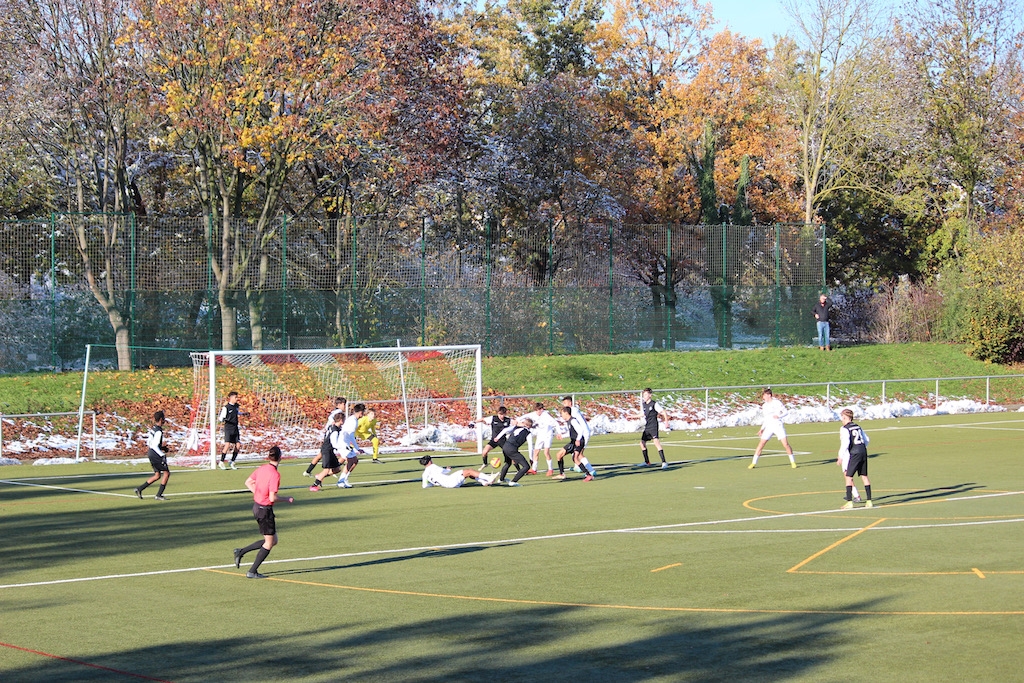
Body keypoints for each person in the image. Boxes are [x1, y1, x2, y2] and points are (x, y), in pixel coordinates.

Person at [233, 446, 294, 579]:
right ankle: (252, 571)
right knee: (269, 542)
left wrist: (259, 494)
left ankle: (241, 551)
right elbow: (272, 498)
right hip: (264, 511)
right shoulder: (275, 474)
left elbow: (248, 482)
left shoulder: (262, 468)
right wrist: (287, 499)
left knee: (273, 540)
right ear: (280, 457)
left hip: (257, 507)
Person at [748, 388, 797, 469]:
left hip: (778, 425)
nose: (763, 397)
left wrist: (779, 416)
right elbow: (766, 419)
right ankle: (753, 463)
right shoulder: (764, 406)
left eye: (764, 395)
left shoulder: (777, 403)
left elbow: (785, 412)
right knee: (761, 444)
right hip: (769, 427)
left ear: (769, 395)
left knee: (785, 444)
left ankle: (793, 462)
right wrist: (762, 429)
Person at [838, 409, 873, 509]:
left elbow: (845, 443)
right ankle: (869, 501)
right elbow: (867, 439)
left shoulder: (845, 428)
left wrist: (840, 456)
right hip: (863, 451)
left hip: (854, 453)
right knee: (864, 476)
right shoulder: (857, 426)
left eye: (842, 417)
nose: (842, 420)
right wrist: (862, 447)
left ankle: (849, 502)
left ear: (845, 417)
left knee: (848, 476)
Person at [304, 397, 347, 477]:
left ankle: (308, 471)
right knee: (329, 451)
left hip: (328, 433)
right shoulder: (338, 411)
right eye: (344, 404)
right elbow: (330, 418)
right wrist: (333, 423)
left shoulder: (335, 410)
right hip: (331, 434)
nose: (345, 406)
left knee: (322, 454)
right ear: (339, 404)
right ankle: (329, 470)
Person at [134, 410, 170, 500]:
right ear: (161, 419)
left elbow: (150, 443)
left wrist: (162, 448)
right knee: (166, 473)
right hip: (155, 454)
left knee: (157, 475)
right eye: (164, 418)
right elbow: (154, 445)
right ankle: (159, 495)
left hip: (151, 452)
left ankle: (139, 489)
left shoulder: (153, 429)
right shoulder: (159, 431)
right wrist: (161, 454)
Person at [555, 404, 597, 481]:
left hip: (579, 441)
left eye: (562, 413)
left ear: (566, 413)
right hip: (573, 442)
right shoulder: (569, 421)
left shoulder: (573, 420)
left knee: (575, 458)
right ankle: (562, 474)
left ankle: (589, 475)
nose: (561, 415)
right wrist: (562, 436)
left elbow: (580, 430)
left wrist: (578, 439)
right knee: (559, 455)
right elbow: (571, 433)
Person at [309, 411, 345, 491]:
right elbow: (334, 443)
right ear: (341, 420)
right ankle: (314, 486)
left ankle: (320, 476)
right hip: (327, 450)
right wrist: (342, 447)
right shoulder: (335, 431)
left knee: (337, 469)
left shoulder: (333, 427)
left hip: (330, 450)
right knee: (326, 470)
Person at [494, 417, 535, 487]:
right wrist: (531, 458)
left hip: (505, 446)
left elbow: (505, 430)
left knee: (508, 463)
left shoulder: (516, 427)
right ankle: (513, 482)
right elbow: (530, 446)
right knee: (526, 466)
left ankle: (501, 479)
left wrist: (497, 437)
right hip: (512, 448)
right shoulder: (528, 433)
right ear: (529, 426)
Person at [334, 403, 366, 488]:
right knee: (351, 461)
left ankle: (344, 479)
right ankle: (341, 481)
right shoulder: (353, 421)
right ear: (360, 412)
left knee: (354, 461)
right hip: (343, 443)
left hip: (345, 443)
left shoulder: (353, 419)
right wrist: (357, 448)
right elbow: (351, 435)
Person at [637, 388, 669, 469]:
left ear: (650, 395)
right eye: (643, 395)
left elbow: (663, 412)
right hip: (647, 426)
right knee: (642, 443)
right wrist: (631, 416)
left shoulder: (654, 404)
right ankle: (647, 462)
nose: (644, 396)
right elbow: (642, 414)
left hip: (654, 426)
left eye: (646, 395)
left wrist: (666, 422)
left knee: (656, 443)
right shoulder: (644, 404)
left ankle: (664, 462)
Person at [420, 455, 496, 488]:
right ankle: (489, 478)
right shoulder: (433, 466)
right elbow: (445, 471)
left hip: (446, 485)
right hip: (450, 480)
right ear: (429, 462)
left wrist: (433, 484)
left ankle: (483, 482)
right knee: (469, 471)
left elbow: (424, 486)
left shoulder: (424, 474)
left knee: (467, 474)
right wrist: (448, 469)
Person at [526, 403, 560, 476]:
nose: (537, 412)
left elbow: (556, 423)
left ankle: (550, 469)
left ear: (541, 409)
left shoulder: (546, 415)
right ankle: (534, 469)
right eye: (536, 410)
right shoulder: (534, 414)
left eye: (538, 410)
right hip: (540, 436)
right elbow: (526, 416)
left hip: (548, 435)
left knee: (546, 452)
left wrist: (558, 433)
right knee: (536, 452)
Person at [218, 391, 248, 470]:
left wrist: (243, 414)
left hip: (235, 427)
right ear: (231, 398)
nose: (237, 399)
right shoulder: (226, 407)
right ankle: (221, 462)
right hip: (228, 428)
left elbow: (236, 412)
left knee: (238, 445)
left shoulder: (236, 406)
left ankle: (232, 461)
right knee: (227, 444)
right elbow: (221, 418)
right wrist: (225, 419)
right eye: (235, 397)